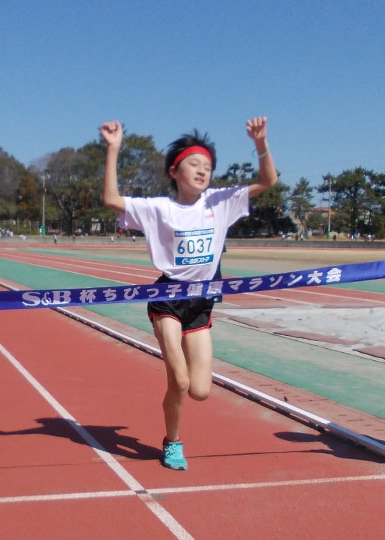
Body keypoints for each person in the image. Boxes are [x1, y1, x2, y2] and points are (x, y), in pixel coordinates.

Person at [100, 117, 277, 470]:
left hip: (201, 304)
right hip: (168, 299)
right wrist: (113, 149)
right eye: (194, 164)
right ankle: (173, 442)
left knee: (200, 390)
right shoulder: (159, 209)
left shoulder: (220, 202)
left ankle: (174, 426)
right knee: (178, 380)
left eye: (208, 167)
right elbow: (111, 199)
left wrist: (260, 144)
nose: (202, 171)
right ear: (174, 171)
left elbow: (268, 181)